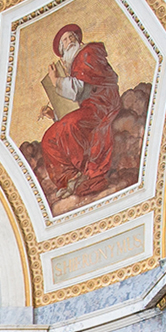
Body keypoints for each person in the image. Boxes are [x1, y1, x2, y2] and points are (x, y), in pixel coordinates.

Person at [37, 24, 122, 200]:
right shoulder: (75, 64)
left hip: (103, 106)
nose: (69, 42)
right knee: (49, 138)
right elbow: (75, 105)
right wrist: (54, 115)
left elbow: (77, 90)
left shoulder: (88, 54)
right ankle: (69, 180)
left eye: (70, 38)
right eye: (65, 42)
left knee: (69, 126)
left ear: (78, 40)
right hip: (89, 109)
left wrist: (56, 80)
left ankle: (87, 172)